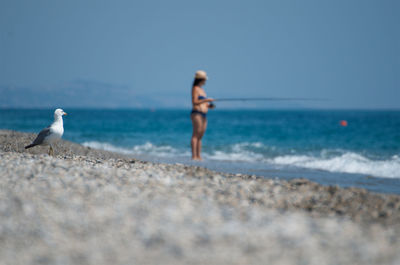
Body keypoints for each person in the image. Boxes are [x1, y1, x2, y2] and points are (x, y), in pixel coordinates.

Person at [190, 70, 215, 160]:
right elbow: (195, 102)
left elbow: (203, 103)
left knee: (200, 135)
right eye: (205, 79)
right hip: (196, 113)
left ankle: (199, 155)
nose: (205, 81)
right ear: (201, 79)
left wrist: (209, 105)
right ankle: (194, 156)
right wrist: (206, 100)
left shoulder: (202, 90)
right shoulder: (195, 88)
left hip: (204, 114)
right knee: (195, 134)